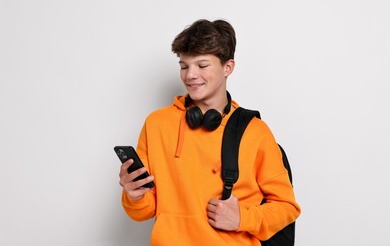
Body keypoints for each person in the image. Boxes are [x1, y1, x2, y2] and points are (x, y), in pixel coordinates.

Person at [119, 19, 301, 245]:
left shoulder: (254, 132)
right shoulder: (156, 124)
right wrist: (133, 194)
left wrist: (242, 218)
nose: (190, 75)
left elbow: (287, 208)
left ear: (228, 67)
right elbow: (143, 212)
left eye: (202, 66)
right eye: (184, 66)